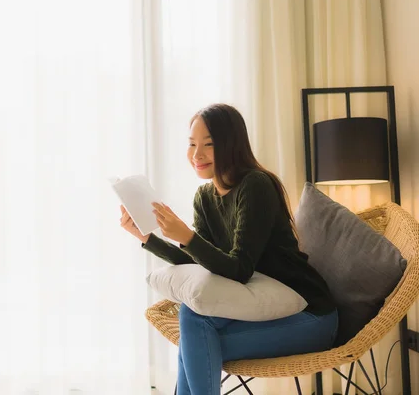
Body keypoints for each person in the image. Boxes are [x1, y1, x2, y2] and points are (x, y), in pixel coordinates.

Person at [119, 103, 338, 394]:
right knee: (192, 319)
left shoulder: (255, 185)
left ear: (231, 145)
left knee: (194, 340)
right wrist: (147, 237)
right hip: (262, 306)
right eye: (192, 144)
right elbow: (197, 260)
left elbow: (239, 268)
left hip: (310, 315)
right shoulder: (205, 197)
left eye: (208, 145)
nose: (197, 155)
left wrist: (186, 236)